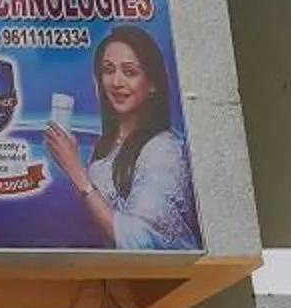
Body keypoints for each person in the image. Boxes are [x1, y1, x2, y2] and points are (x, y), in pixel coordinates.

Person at [42, 27, 199, 250]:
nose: (116, 82)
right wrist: (68, 162)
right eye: (108, 70)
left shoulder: (165, 150)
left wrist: (75, 169)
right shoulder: (107, 145)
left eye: (130, 72)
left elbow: (140, 240)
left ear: (152, 84)